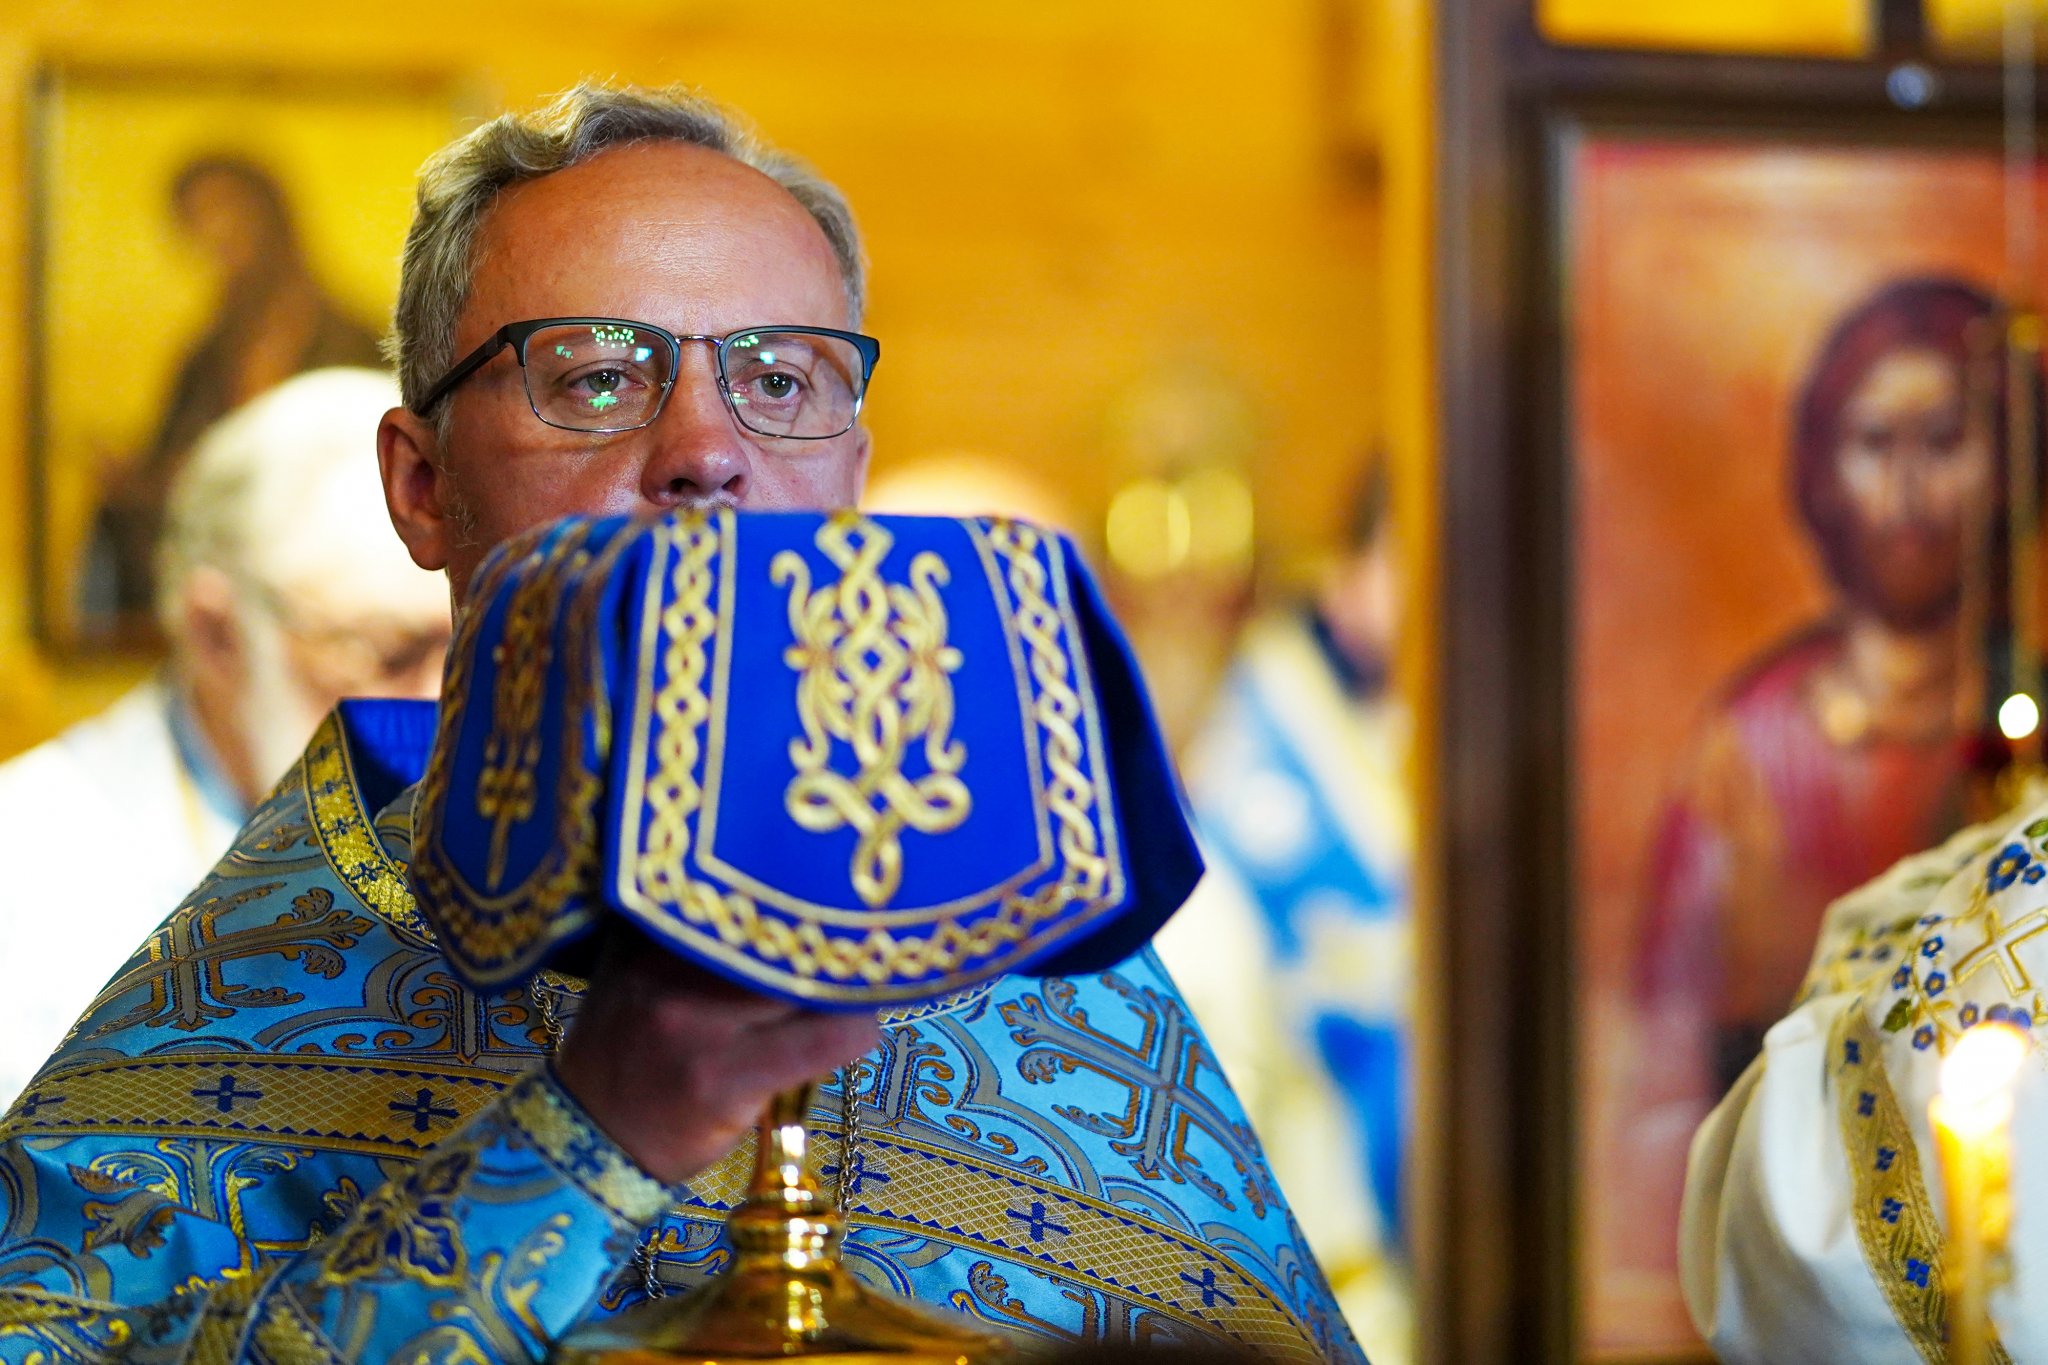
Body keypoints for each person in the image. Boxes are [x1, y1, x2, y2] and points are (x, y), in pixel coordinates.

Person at [0, 84, 1360, 1365]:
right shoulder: (267, 974)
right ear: (422, 487)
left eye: (781, 382)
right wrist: (591, 1130)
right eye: (594, 376)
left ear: (855, 473)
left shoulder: (1028, 926)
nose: (706, 447)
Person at [1617, 278, 2015, 1288]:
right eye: (1875, 444)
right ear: (1823, 473)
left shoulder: (2023, 723)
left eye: (1942, 441)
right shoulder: (1748, 744)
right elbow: (1664, 1058)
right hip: (1793, 1247)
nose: (1909, 490)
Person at [0, 367, 450, 1106]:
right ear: (216, 633)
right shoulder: (25, 869)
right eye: (383, 652)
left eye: (464, 643)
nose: (438, 697)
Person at [1155, 459, 1414, 1364]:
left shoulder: (1426, 718)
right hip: (1321, 1174)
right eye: (1409, 561)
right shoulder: (1266, 734)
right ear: (1353, 575)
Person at [82, 155, 384, 629]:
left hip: (332, 580)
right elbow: (178, 468)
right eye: (199, 223)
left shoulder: (351, 339)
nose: (217, 238)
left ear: (268, 216)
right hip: (227, 581)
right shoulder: (207, 359)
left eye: (228, 215)